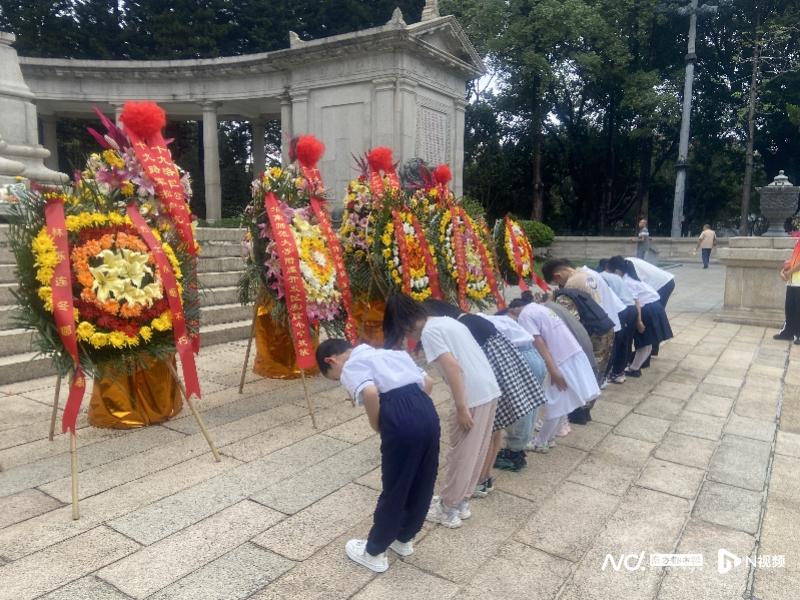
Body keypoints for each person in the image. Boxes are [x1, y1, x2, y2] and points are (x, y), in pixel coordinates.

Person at [316, 338, 440, 573]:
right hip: (427, 412)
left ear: (331, 360)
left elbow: (371, 392)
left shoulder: (353, 363)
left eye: (335, 377)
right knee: (423, 479)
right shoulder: (393, 353)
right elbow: (428, 381)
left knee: (396, 485)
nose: (340, 380)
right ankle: (404, 538)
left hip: (399, 417)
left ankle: (374, 551)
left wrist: (378, 424)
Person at [383, 293, 499, 529]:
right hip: (488, 389)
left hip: (472, 396)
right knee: (475, 450)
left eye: (404, 332)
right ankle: (462, 501)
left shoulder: (430, 332)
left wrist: (461, 407)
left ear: (405, 324)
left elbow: (453, 368)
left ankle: (448, 508)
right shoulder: (447, 321)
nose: (409, 338)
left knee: (462, 453)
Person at [422, 300, 545, 490]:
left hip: (491, 378)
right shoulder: (472, 319)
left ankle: (478, 480)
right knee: (494, 431)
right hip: (503, 375)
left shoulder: (462, 325)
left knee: (484, 436)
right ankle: (484, 478)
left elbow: (466, 361)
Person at [508, 298, 600, 452]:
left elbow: (538, 342)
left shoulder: (524, 315)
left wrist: (553, 369)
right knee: (562, 402)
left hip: (560, 359)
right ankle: (548, 438)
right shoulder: (541, 309)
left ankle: (541, 441)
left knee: (555, 402)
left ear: (513, 310)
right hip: (572, 353)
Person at [480, 310, 547, 472]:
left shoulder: (476, 323)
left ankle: (513, 454)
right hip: (533, 355)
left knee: (518, 407)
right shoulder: (493, 318)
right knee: (530, 406)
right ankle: (519, 447)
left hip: (519, 357)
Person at [607, 256, 673, 377]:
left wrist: (639, 321)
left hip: (647, 309)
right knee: (648, 341)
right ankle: (635, 367)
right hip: (655, 307)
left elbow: (636, 302)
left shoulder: (627, 282)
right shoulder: (632, 278)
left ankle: (634, 369)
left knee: (644, 342)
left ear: (616, 272)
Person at [597, 259, 638, 384]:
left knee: (615, 343)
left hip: (621, 309)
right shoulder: (615, 277)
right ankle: (619, 372)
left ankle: (614, 373)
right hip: (630, 308)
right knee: (625, 342)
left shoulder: (601, 277)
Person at [774, 219, 800, 344]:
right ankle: (788, 332)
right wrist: (785, 270)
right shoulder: (798, 243)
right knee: (790, 308)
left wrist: (789, 272)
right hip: (792, 281)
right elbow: (793, 260)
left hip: (798, 281)